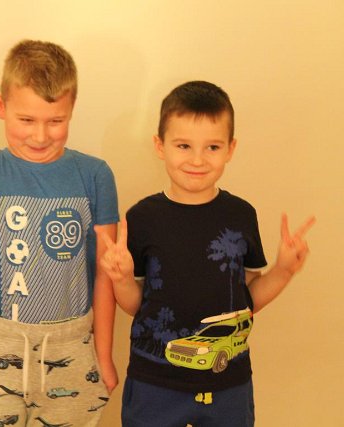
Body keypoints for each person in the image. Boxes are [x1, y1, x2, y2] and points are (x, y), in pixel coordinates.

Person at [99, 81, 315, 427]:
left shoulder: (241, 215)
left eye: (212, 147)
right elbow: (136, 305)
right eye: (183, 145)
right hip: (154, 382)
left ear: (230, 148)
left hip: (228, 384)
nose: (197, 160)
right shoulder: (142, 217)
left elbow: (247, 301)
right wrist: (121, 278)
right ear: (160, 145)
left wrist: (284, 270)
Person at [0, 40, 119, 426]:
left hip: (71, 348)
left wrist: (104, 355)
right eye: (26, 120)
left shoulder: (96, 176)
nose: (40, 136)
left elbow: (106, 274)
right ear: (1, 106)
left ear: (72, 109)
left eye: (55, 121)